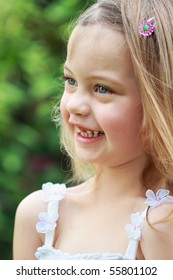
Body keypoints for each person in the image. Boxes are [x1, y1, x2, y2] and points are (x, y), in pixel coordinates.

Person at [13, 0, 173, 260]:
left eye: (102, 88)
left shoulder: (161, 225)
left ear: (159, 103)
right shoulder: (38, 216)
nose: (75, 105)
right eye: (71, 81)